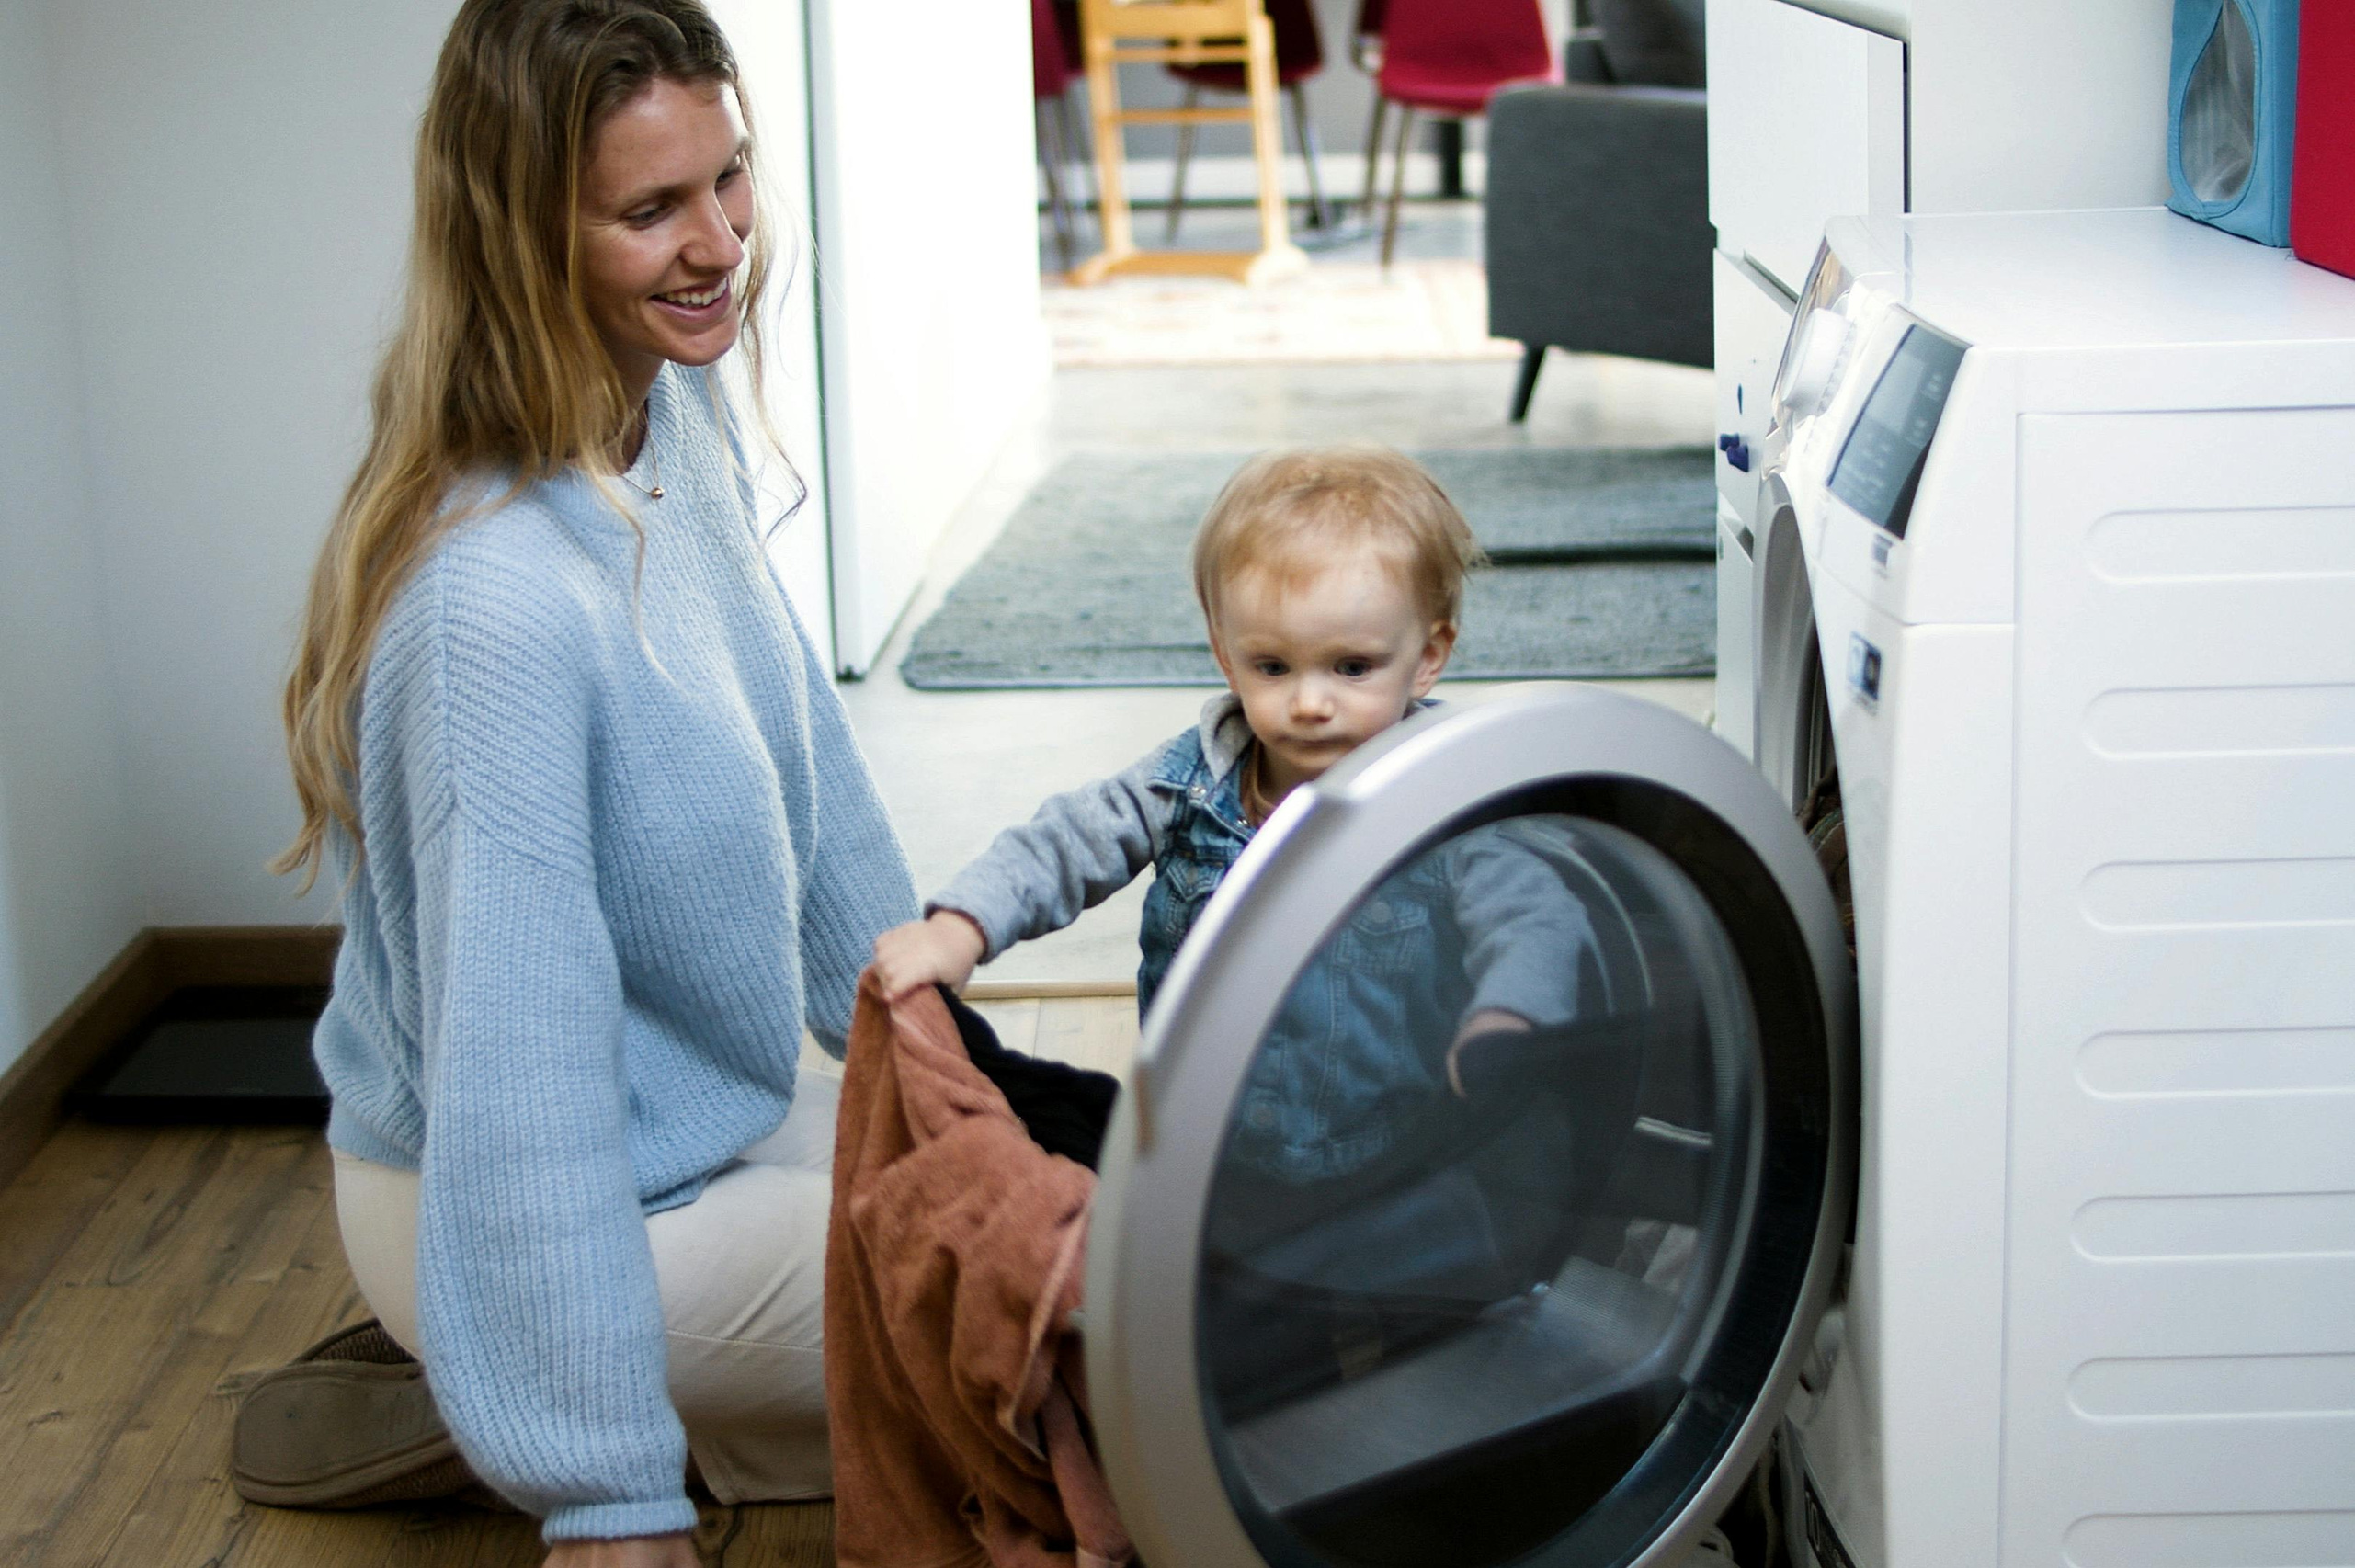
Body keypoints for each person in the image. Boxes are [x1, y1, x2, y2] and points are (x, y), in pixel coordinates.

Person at [274, 4, 914, 1562]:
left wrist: (931, 1051)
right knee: (1087, 1296)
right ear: (521, 234)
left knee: (1096, 1190)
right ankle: (524, 1380)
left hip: (685, 1134)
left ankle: (666, 1398)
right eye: (650, 210)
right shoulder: (492, 597)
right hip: (512, 1192)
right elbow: (522, 1069)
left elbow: (804, 762)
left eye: (729, 179)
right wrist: (598, 1486)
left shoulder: (660, 410)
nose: (719, 244)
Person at [870, 445, 1598, 1181]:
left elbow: (1535, 913)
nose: (1310, 704)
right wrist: (961, 927)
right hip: (1198, 1156)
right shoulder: (1189, 785)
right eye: (1273, 667)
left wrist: (1507, 1022)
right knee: (1025, 1126)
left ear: (1429, 653)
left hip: (1391, 1161)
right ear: (1226, 655)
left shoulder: (1449, 799)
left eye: (1352, 668)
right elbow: (1063, 844)